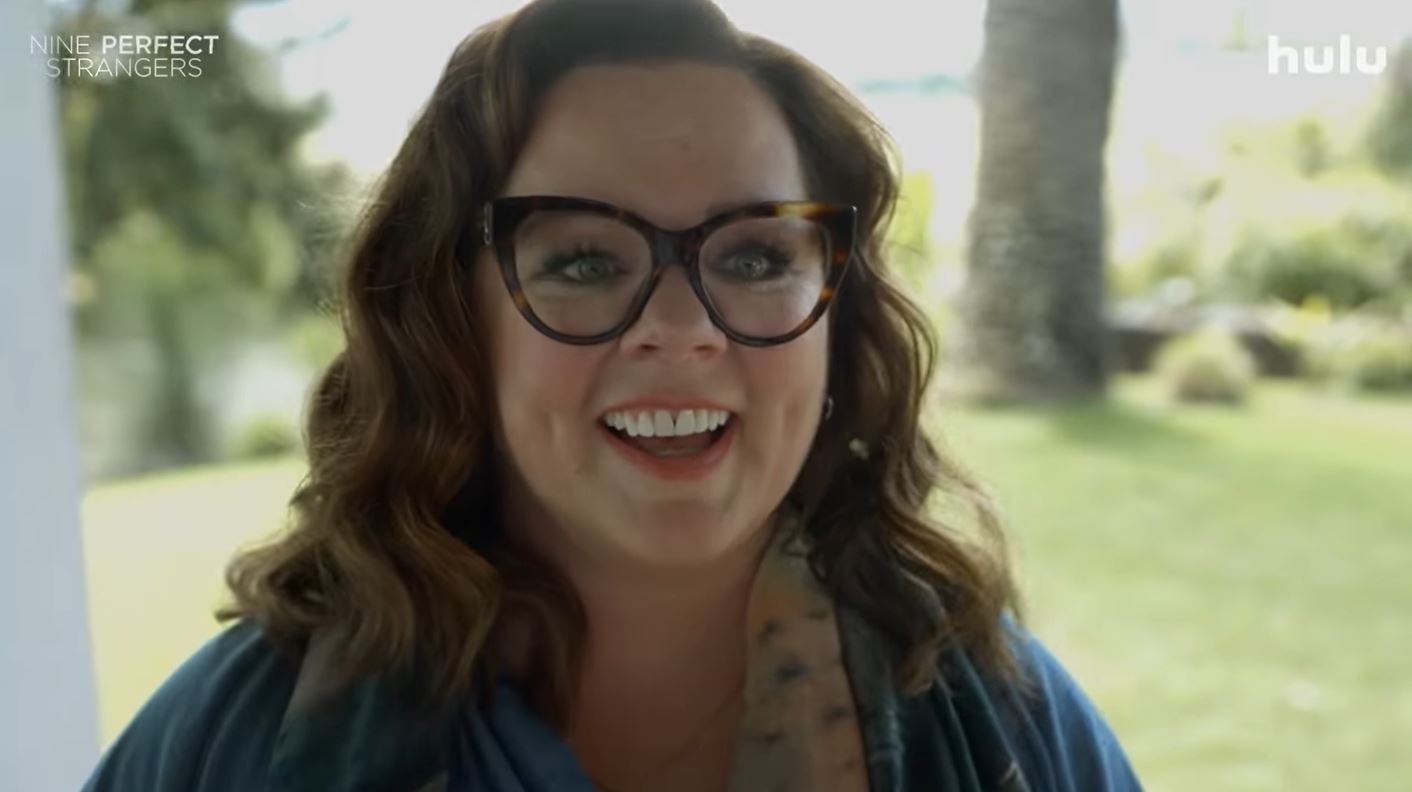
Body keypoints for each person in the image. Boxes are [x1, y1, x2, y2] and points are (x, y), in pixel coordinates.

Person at [82, 0, 1143, 790]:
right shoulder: (235, 743)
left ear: (836, 313)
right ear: (452, 328)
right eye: (585, 261)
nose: (679, 330)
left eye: (754, 257)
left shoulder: (1000, 724)